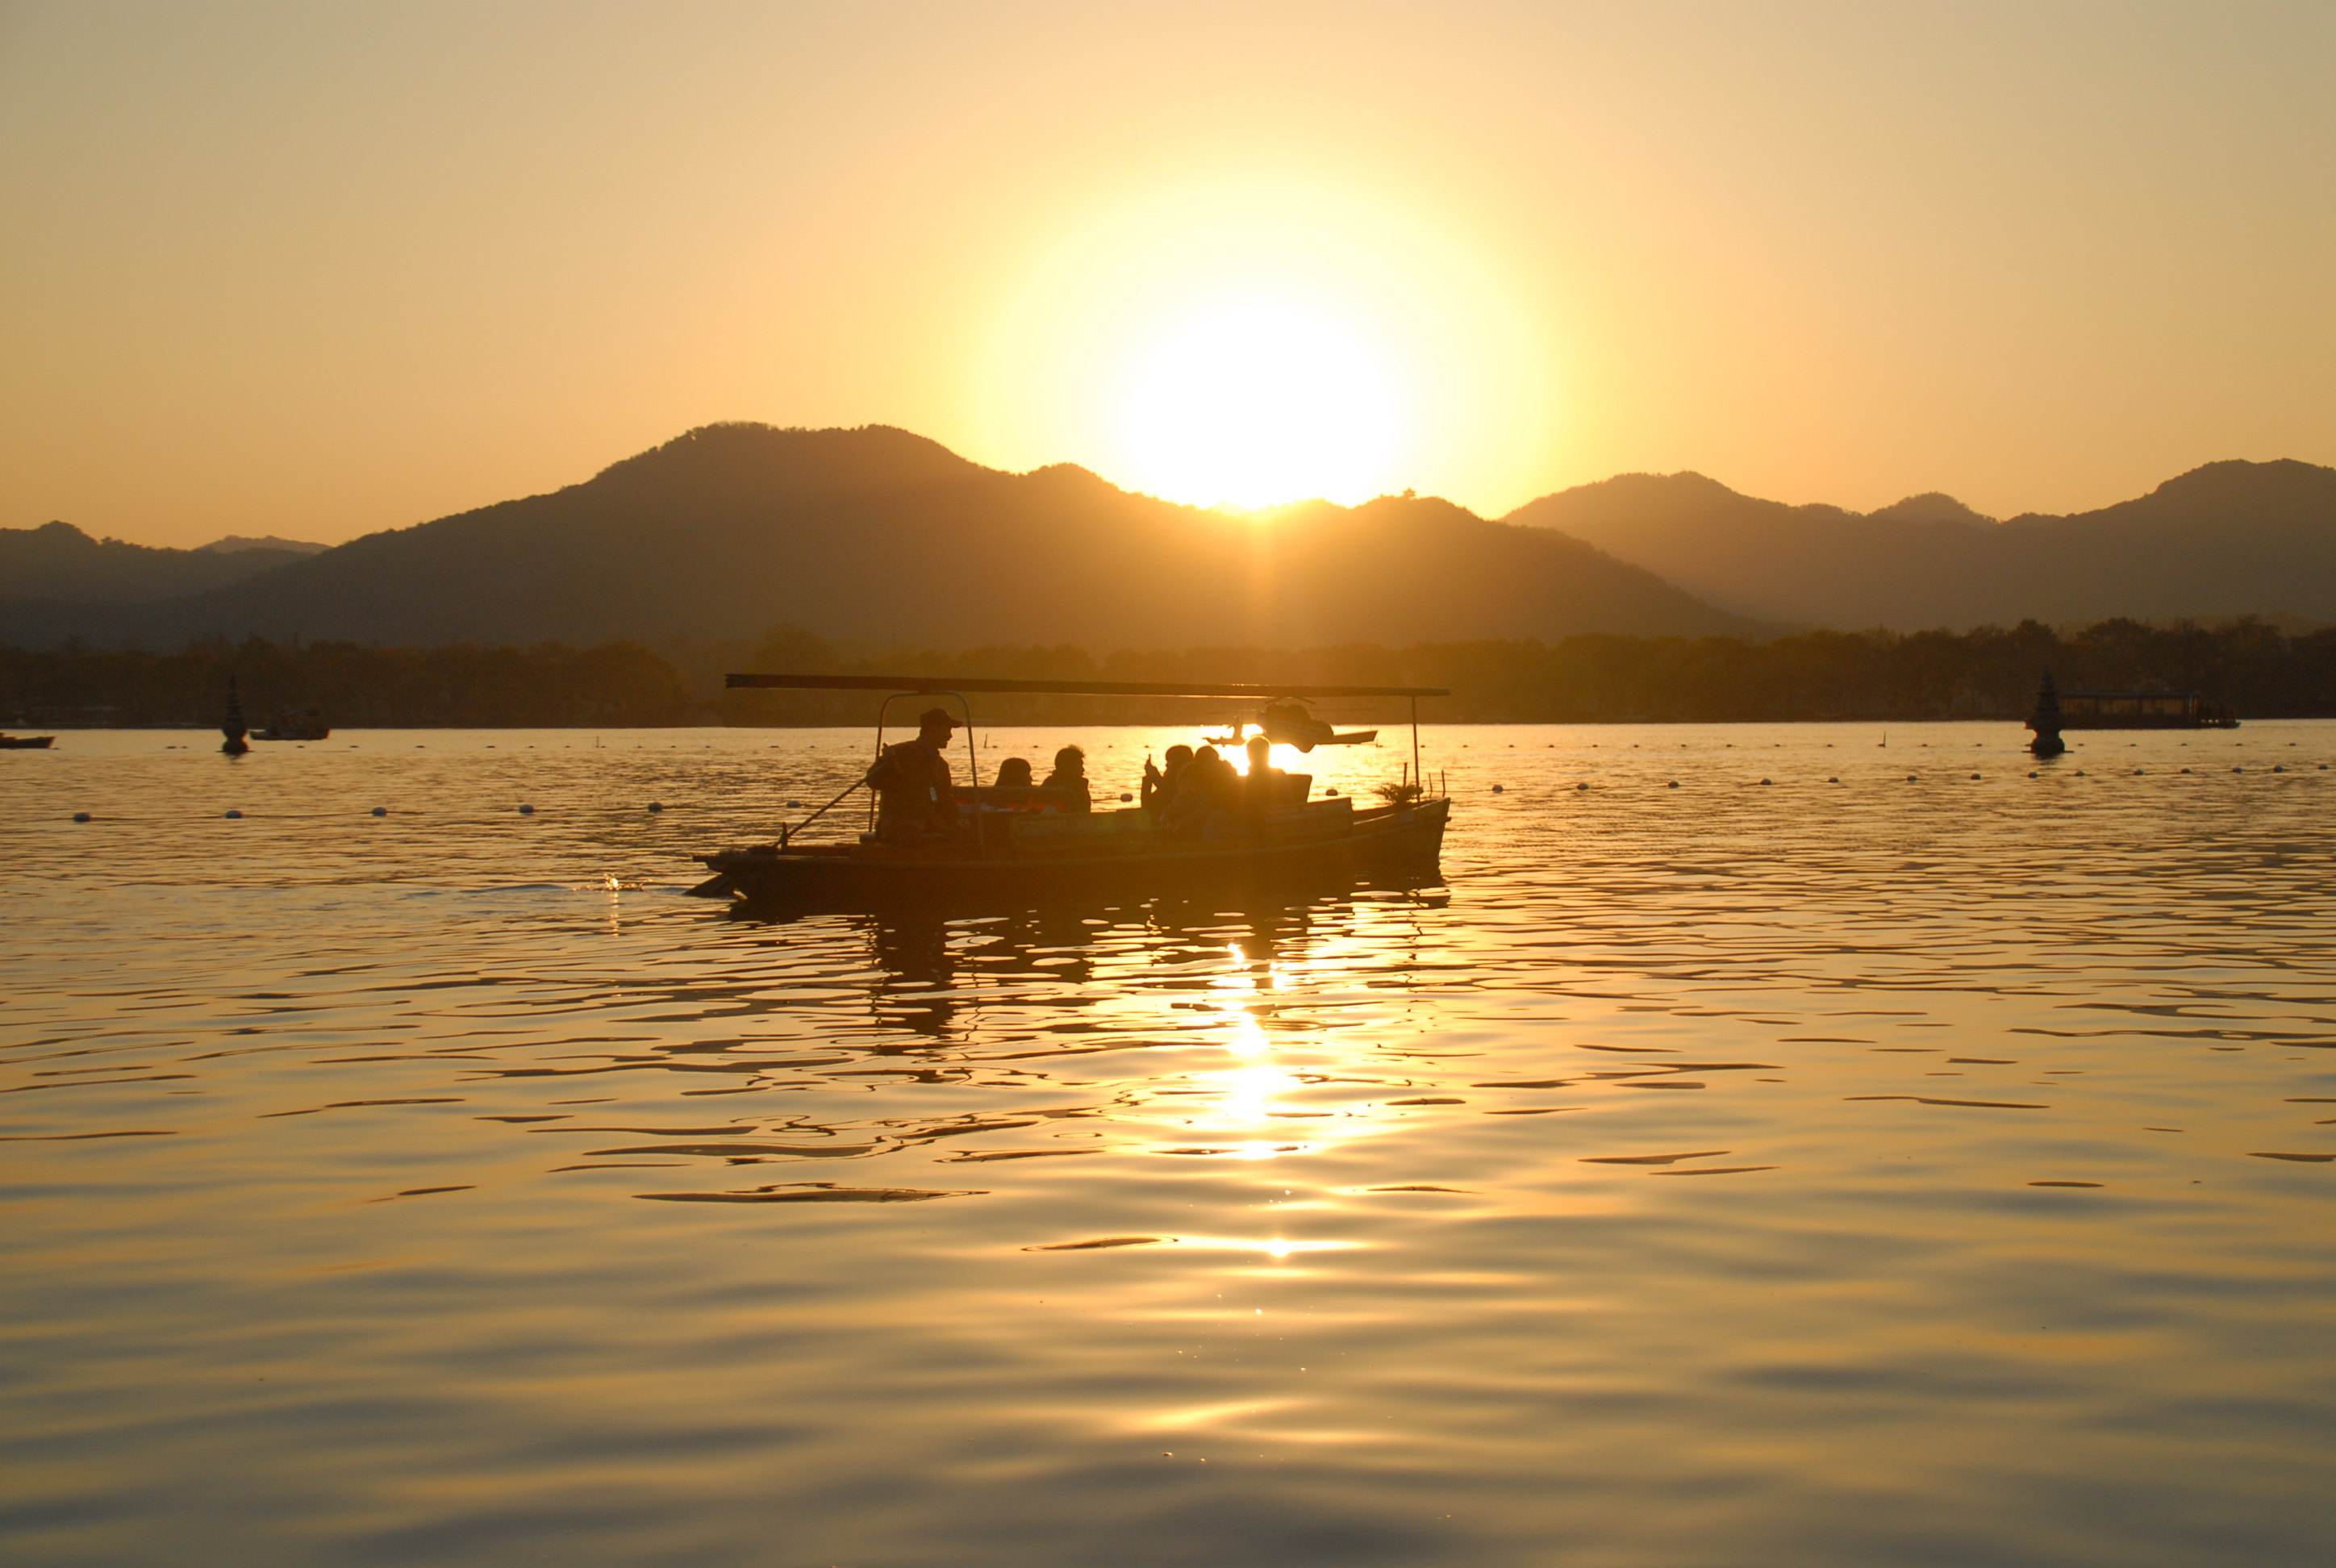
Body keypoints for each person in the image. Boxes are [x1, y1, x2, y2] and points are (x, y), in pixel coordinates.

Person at [865, 706, 960, 841]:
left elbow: (940, 797)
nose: (950, 735)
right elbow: (872, 780)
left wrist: (955, 819)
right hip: (899, 828)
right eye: (947, 729)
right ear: (933, 729)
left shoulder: (941, 766)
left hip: (927, 826)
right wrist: (889, 767)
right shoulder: (900, 754)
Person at [1243, 735, 1289, 818]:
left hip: (1267, 819)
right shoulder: (1279, 774)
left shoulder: (1253, 779)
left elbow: (1250, 805)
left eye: (1250, 753)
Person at [1142, 744, 1193, 813]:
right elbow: (1147, 806)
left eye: (1169, 761)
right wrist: (1148, 780)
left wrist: (1155, 778)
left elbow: (1170, 797)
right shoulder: (1168, 782)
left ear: (1178, 763)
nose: (1166, 765)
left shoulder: (1188, 784)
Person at [1040, 744, 1091, 812]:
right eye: (1079, 765)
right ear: (1068, 766)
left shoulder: (1080, 785)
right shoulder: (1050, 788)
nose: (1083, 769)